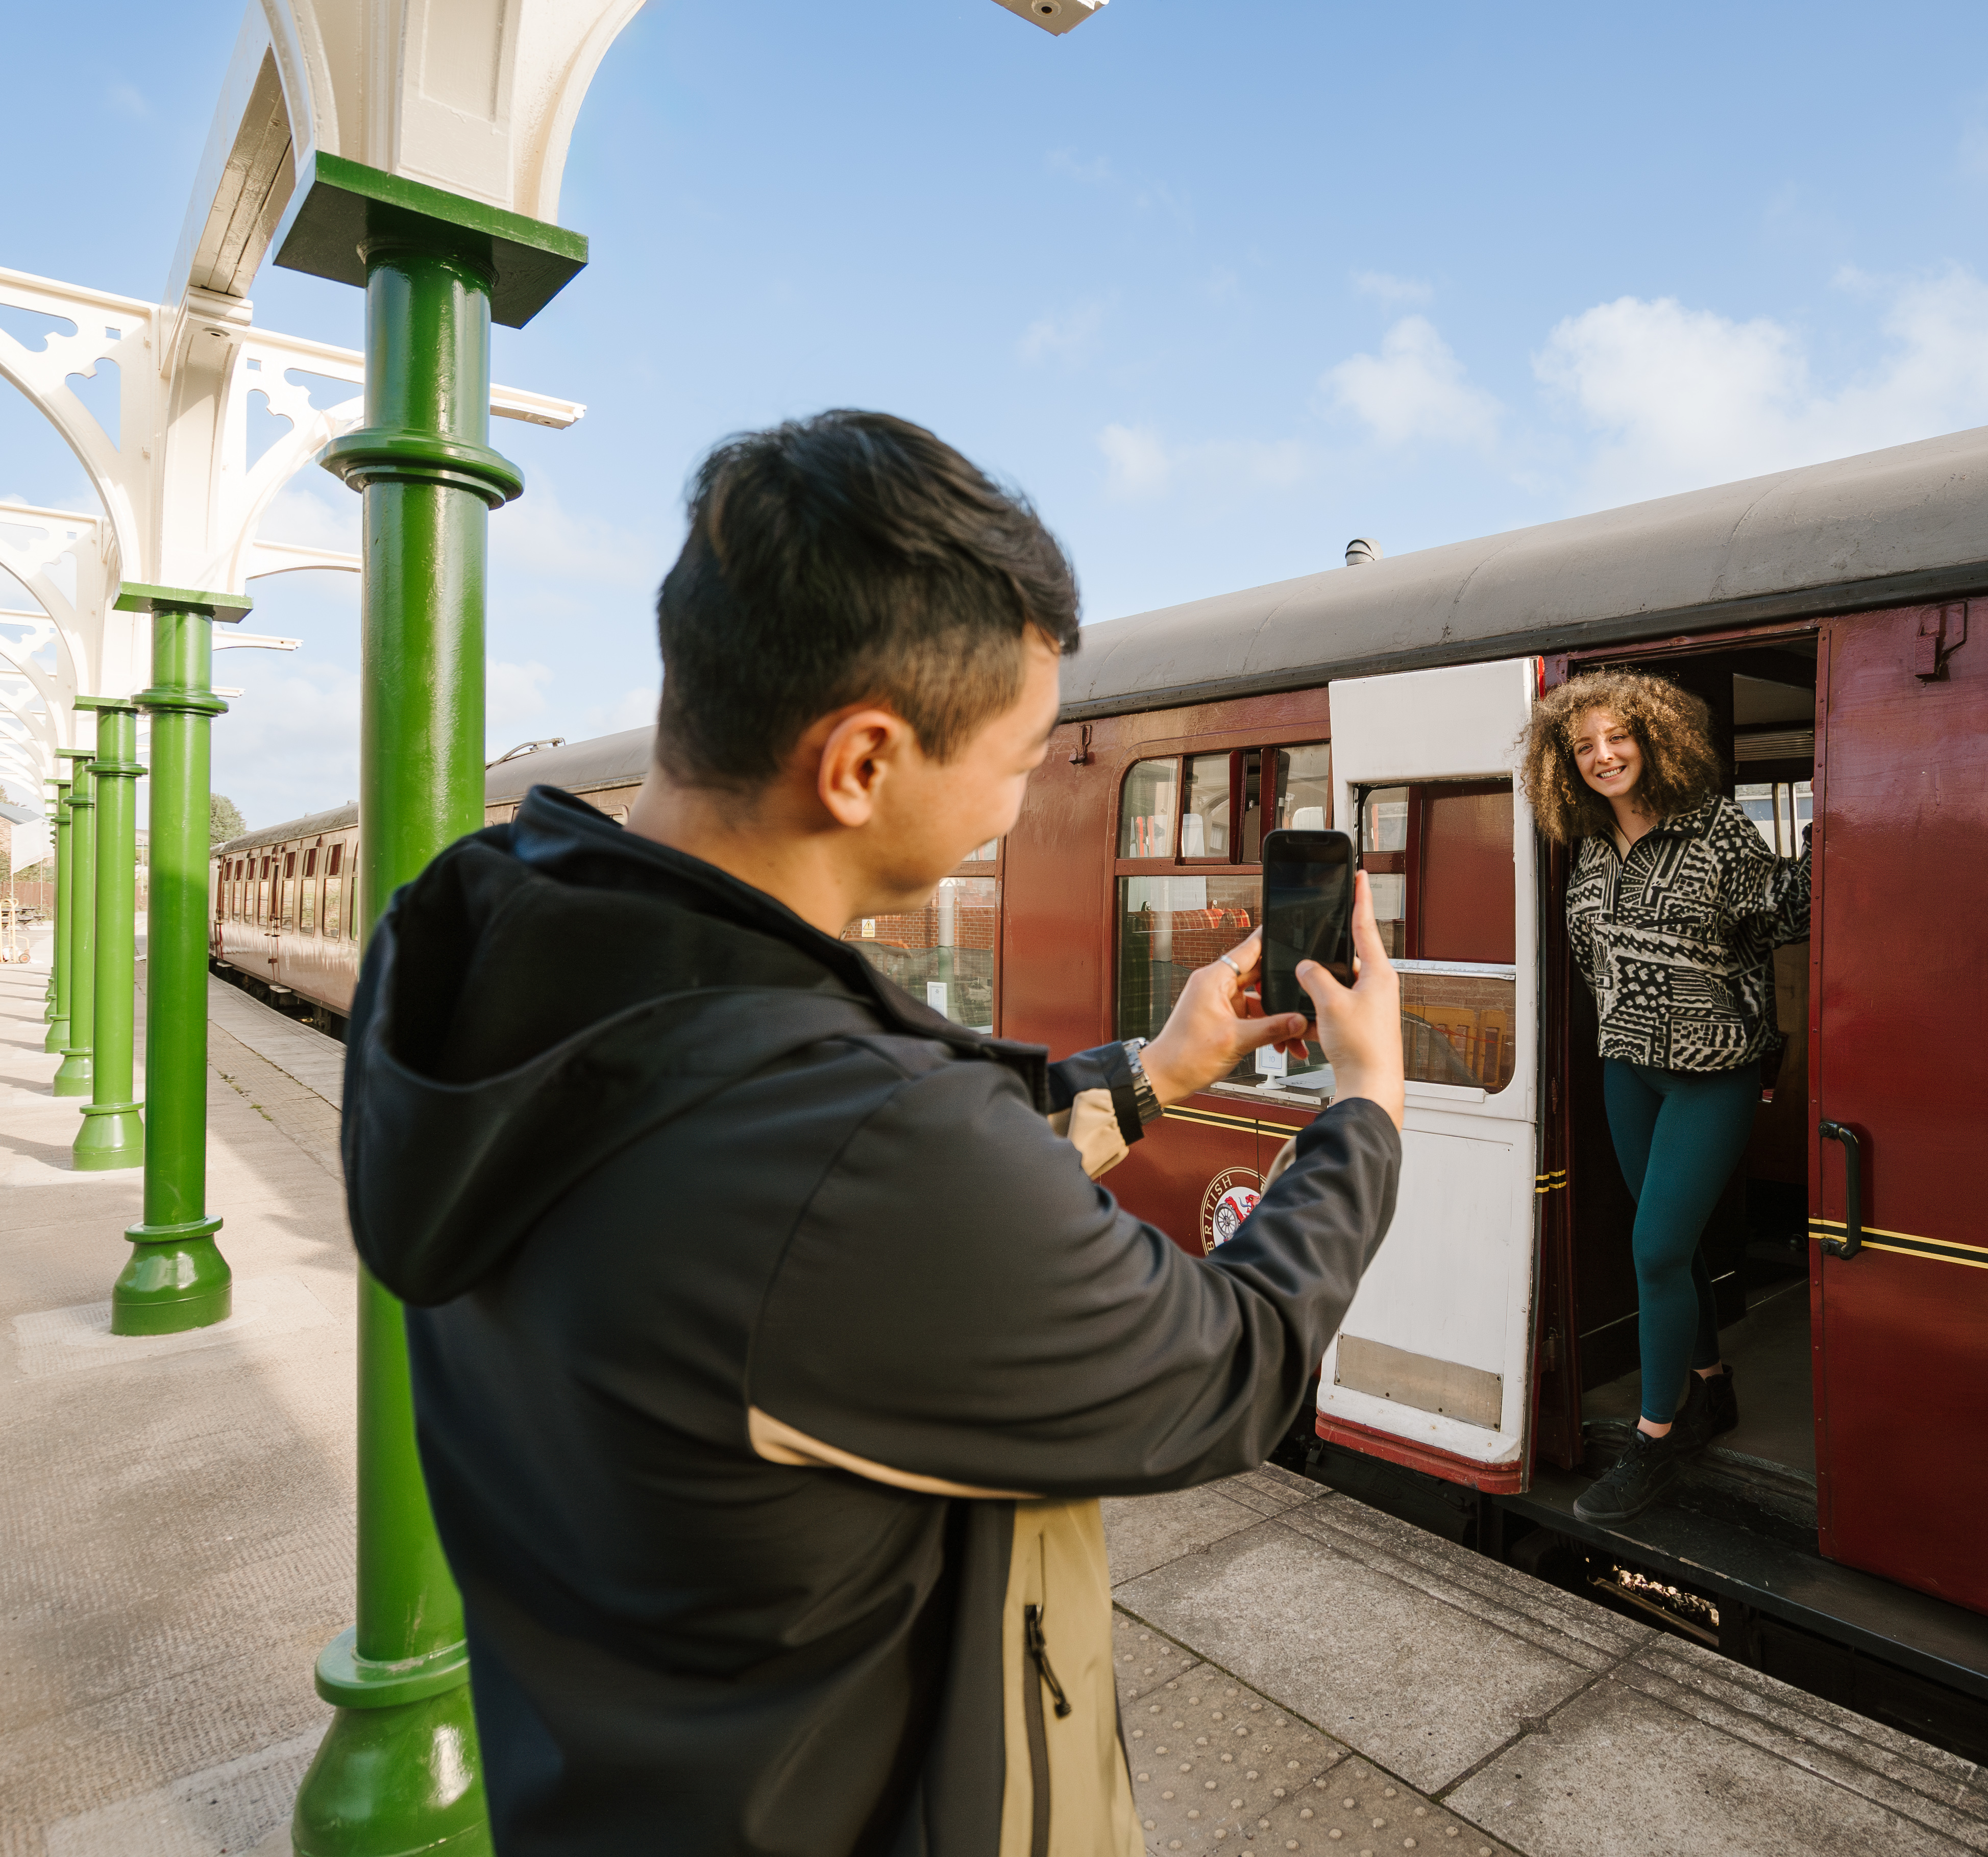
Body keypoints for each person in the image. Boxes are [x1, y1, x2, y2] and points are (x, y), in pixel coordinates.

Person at [340, 410, 1407, 1855]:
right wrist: (1365, 1113)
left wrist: (1151, 1070)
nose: (1015, 800)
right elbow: (1227, 1368)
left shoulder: (506, 971)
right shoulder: (844, 1144)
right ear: (859, 761)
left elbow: (836, 1228)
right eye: (1019, 758)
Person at [1518, 669, 1811, 1524]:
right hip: (1627, 1067)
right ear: (1566, 764)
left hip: (1713, 1070)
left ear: (1654, 739)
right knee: (1668, 1250)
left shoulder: (1716, 828)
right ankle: (1712, 1389)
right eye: (1584, 746)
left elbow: (1781, 916)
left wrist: (1845, 839)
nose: (1604, 755)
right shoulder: (1589, 844)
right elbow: (1590, 960)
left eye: (1619, 737)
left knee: (1653, 1249)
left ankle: (1657, 1437)